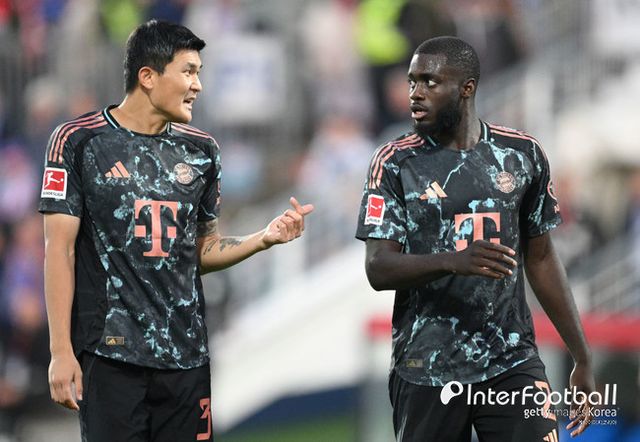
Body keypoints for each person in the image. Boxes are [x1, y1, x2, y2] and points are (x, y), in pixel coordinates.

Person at [38, 20, 313, 442]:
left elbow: (201, 250)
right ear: (148, 76)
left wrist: (263, 238)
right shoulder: (77, 142)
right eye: (188, 71)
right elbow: (60, 250)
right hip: (110, 356)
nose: (197, 85)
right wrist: (60, 351)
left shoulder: (202, 151)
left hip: (187, 358)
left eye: (199, 72)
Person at [356, 36, 594, 441]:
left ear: (466, 88)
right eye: (412, 81)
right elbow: (378, 268)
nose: (415, 93)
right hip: (427, 368)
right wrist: (453, 260)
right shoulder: (394, 162)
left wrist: (581, 357)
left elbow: (541, 258)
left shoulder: (522, 154)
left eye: (430, 82)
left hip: (511, 361)